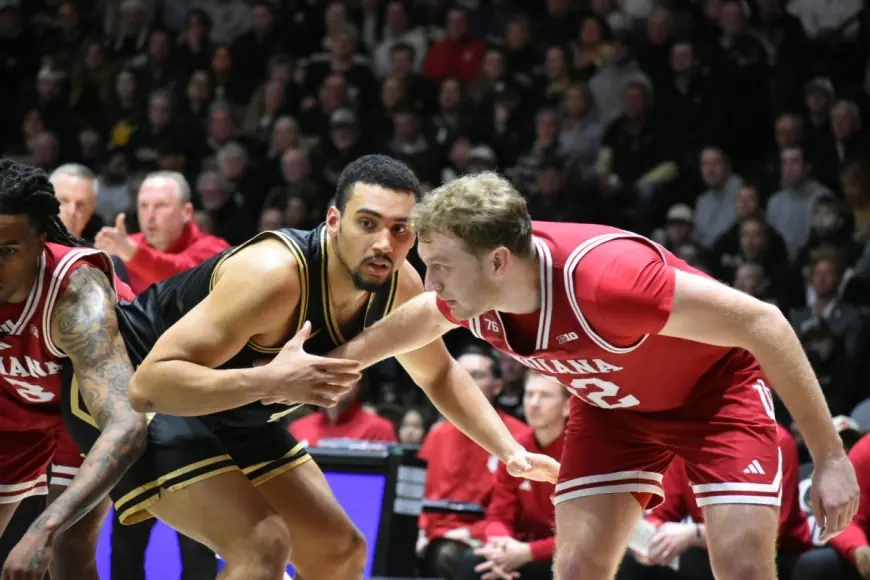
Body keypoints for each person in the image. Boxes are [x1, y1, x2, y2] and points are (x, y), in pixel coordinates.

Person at [329, 171, 860, 580]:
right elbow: (415, 323)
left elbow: (763, 322)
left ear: (496, 262)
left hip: (713, 395)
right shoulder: (472, 292)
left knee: (741, 565)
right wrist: (332, 363)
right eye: (428, 264)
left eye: (441, 266)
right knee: (578, 565)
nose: (431, 281)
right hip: (612, 412)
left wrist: (831, 458)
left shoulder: (609, 281)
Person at [83, 155, 554, 580]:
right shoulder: (273, 274)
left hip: (233, 408)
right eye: (366, 223)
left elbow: (438, 373)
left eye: (400, 229)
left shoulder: (400, 285)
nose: (383, 243)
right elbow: (149, 385)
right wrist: (271, 379)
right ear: (333, 221)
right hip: (132, 389)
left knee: (341, 551)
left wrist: (508, 448)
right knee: (260, 548)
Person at [0, 160, 147, 580]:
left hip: (83, 409)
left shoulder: (77, 293)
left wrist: (42, 530)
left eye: (8, 250)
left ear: (41, 241)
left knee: (67, 547)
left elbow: (126, 424)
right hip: (16, 397)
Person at [94, 171, 230, 294]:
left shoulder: (214, 249)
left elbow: (182, 274)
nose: (150, 216)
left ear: (186, 212)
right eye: (143, 206)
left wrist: (131, 253)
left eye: (161, 205)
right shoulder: (124, 247)